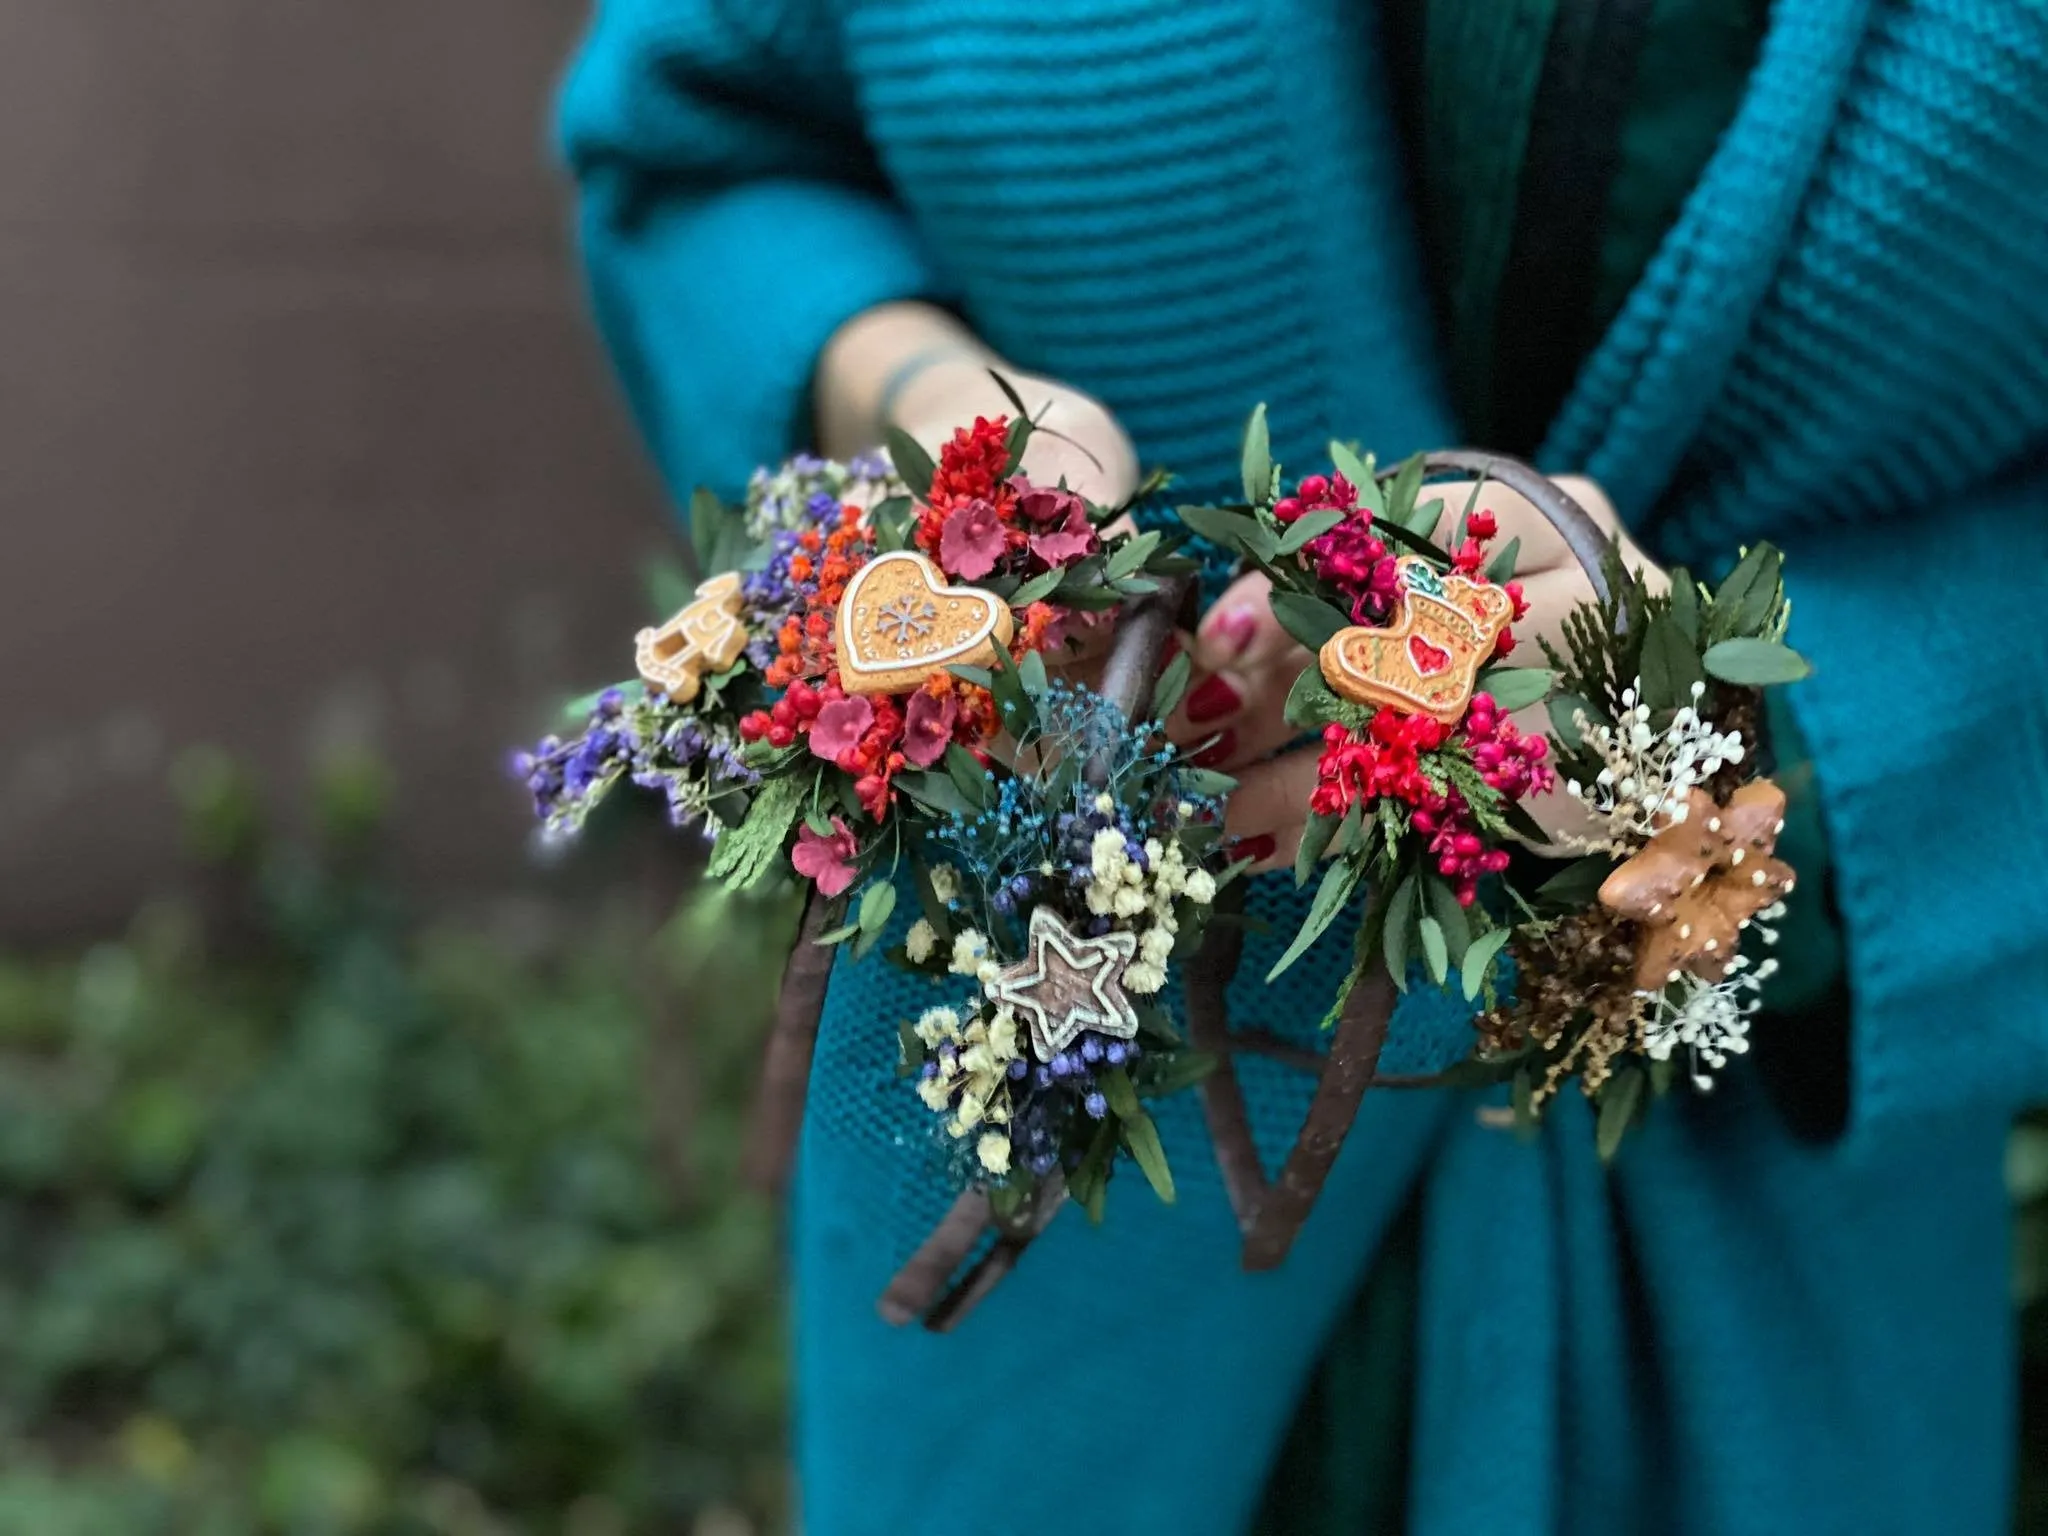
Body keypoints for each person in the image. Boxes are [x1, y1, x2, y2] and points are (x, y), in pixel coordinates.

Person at [554, 1, 2048, 1530]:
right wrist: (930, 401)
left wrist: (1757, 741)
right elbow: (709, 143)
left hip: (1764, 1299)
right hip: (1061, 1278)